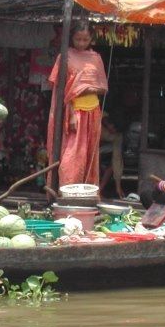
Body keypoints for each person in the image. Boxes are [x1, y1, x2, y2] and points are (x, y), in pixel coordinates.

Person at [46, 23, 108, 187]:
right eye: (78, 39)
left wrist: (85, 88)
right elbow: (59, 88)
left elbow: (102, 87)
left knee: (89, 155)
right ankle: (67, 190)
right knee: (71, 156)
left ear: (91, 39)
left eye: (85, 39)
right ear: (71, 38)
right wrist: (72, 110)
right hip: (73, 111)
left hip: (93, 111)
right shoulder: (65, 56)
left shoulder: (96, 58)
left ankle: (85, 193)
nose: (81, 43)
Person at [99, 113, 125, 199]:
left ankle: (99, 189)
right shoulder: (98, 118)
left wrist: (118, 186)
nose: (113, 130)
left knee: (112, 167)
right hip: (91, 151)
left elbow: (117, 160)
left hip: (102, 150)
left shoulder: (117, 137)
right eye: (112, 128)